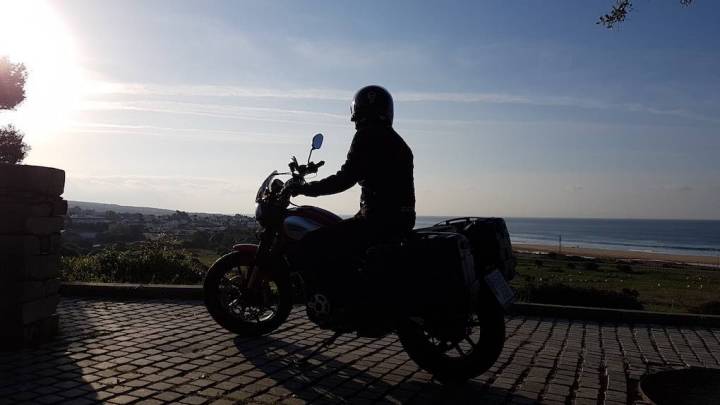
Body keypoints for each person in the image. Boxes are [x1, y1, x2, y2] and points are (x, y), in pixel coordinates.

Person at [287, 85, 416, 277]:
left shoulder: (366, 136)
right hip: (400, 219)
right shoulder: (398, 142)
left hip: (377, 219)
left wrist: (305, 189)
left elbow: (344, 179)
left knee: (311, 243)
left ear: (359, 110)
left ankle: (331, 299)